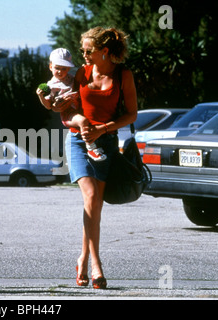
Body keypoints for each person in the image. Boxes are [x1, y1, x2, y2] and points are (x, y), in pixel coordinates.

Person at [65, 27, 138, 288]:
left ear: (104, 52)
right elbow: (65, 115)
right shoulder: (80, 75)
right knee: (92, 196)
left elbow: (131, 115)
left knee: (95, 206)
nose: (83, 55)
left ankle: (82, 258)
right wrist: (81, 120)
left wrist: (103, 129)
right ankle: (97, 265)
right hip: (77, 140)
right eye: (81, 50)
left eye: (88, 51)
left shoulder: (123, 75)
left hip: (105, 142)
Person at [36, 48, 106, 161]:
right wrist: (41, 96)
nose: (60, 71)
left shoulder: (72, 78)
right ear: (50, 67)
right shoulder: (51, 86)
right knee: (83, 121)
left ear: (68, 68)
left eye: (64, 68)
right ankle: (91, 148)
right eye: (57, 68)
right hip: (68, 114)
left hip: (79, 108)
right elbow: (48, 106)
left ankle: (95, 144)